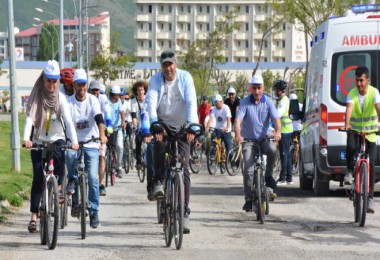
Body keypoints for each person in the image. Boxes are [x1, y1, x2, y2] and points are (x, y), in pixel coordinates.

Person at [145, 50, 198, 234]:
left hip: (183, 126)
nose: (168, 68)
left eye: (171, 64)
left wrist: (191, 126)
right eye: (165, 64)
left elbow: (191, 102)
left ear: (176, 64)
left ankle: (184, 212)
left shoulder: (185, 78)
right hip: (163, 125)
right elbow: (151, 102)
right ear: (161, 66)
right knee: (158, 145)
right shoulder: (156, 80)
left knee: (184, 169)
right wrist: (154, 124)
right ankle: (158, 180)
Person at [23, 60, 79, 233]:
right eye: (49, 80)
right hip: (39, 140)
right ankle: (34, 217)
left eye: (55, 81)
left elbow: (68, 122)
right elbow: (30, 119)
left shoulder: (61, 98)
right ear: (44, 79)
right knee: (38, 178)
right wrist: (27, 138)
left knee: (62, 158)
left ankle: (59, 188)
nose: (52, 85)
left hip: (57, 139)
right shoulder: (37, 96)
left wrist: (74, 141)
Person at [66, 69, 108, 229]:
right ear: (74, 85)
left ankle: (94, 211)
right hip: (75, 142)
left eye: (84, 84)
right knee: (69, 156)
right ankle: (72, 178)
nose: (82, 87)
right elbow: (67, 123)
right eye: (79, 84)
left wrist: (102, 135)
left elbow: (99, 118)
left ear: (86, 85)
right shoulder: (69, 102)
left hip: (91, 142)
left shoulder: (93, 100)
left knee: (93, 177)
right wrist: (68, 139)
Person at [234, 74, 281, 212]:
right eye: (254, 88)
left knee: (272, 150)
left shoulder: (268, 102)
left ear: (263, 88)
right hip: (249, 141)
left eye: (259, 88)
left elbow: (276, 119)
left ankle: (268, 175)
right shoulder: (244, 102)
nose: (257, 91)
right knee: (248, 170)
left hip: (265, 138)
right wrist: (238, 135)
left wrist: (278, 132)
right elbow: (237, 121)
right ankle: (248, 199)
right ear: (250, 88)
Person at [344, 66, 380, 213]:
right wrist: (347, 123)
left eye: (362, 81)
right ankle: (349, 171)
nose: (359, 84)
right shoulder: (352, 93)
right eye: (357, 81)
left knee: (370, 166)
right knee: (351, 147)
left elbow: (378, 108)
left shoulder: (374, 93)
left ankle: (369, 198)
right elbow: (349, 109)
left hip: (371, 133)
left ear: (367, 80)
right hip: (355, 131)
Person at [88, 80, 112, 196]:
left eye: (97, 90)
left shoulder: (103, 99)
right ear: (89, 90)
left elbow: (107, 113)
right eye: (93, 90)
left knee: (101, 157)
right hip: (87, 133)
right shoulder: (86, 98)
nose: (95, 92)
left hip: (100, 132)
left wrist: (110, 125)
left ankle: (101, 183)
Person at [273, 80, 294, 185]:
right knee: (288, 155)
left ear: (280, 90)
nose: (275, 91)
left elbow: (277, 115)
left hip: (284, 131)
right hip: (288, 130)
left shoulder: (283, 102)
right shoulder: (284, 100)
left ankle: (283, 178)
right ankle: (289, 177)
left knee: (284, 154)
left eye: (276, 89)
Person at [108, 85, 126, 178]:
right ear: (111, 94)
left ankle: (118, 167)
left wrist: (123, 122)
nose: (117, 97)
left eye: (118, 95)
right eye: (115, 95)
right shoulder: (105, 100)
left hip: (117, 128)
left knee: (119, 146)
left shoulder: (118, 101)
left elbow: (122, 112)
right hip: (107, 128)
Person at [130, 81, 149, 169]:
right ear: (136, 91)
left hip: (147, 124)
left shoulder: (148, 99)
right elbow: (133, 116)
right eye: (138, 90)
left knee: (149, 143)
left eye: (142, 90)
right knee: (138, 140)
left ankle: (147, 159)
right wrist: (136, 126)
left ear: (144, 91)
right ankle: (138, 161)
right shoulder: (133, 102)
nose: (140, 92)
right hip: (138, 124)